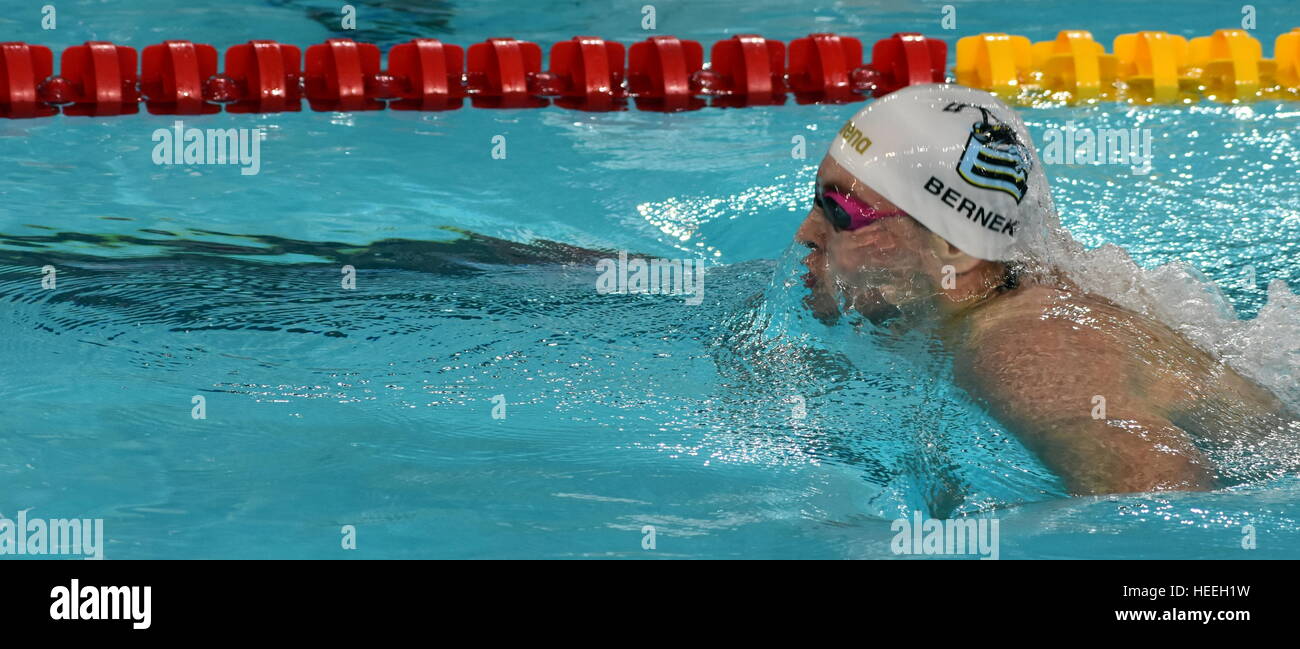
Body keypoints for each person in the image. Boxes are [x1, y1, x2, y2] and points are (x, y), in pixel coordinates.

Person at [795, 84, 1297, 496]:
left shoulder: (1023, 349)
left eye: (840, 212)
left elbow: (1163, 501)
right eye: (816, 201)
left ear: (953, 246)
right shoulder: (984, 312)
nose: (806, 234)